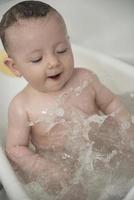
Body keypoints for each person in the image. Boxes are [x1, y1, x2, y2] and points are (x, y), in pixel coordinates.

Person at [0, 0, 131, 197]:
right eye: (37, 59)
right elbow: (15, 148)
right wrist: (43, 167)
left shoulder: (85, 79)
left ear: (69, 44)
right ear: (15, 67)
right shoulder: (21, 106)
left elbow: (112, 103)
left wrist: (127, 128)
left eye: (61, 50)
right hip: (64, 172)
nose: (54, 62)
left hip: (106, 154)